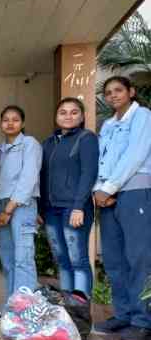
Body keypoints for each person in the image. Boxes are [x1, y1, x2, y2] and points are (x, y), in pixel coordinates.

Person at [93, 76, 151, 340]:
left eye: (118, 90)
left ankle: (143, 320)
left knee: (138, 258)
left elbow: (136, 154)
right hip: (108, 195)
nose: (113, 95)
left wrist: (110, 187)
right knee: (114, 260)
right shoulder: (108, 125)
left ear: (131, 92)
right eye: (108, 92)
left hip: (135, 190)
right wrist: (99, 189)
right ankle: (123, 313)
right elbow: (102, 159)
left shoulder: (143, 117)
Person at [39, 97, 98, 303]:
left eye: (74, 112)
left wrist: (78, 206)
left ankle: (81, 308)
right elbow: (42, 177)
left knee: (77, 259)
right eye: (63, 112)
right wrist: (40, 209)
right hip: (51, 210)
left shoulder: (86, 138)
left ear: (82, 117)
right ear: (56, 116)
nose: (68, 116)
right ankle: (67, 304)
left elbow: (88, 173)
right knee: (61, 260)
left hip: (74, 208)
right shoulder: (48, 143)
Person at [0, 105, 42, 297]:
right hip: (1, 205)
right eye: (6, 119)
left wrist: (9, 209)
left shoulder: (30, 144)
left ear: (22, 123)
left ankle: (25, 309)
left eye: (15, 119)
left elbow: (28, 178)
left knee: (23, 258)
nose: (10, 123)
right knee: (7, 260)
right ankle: (12, 307)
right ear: (1, 124)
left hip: (21, 205)